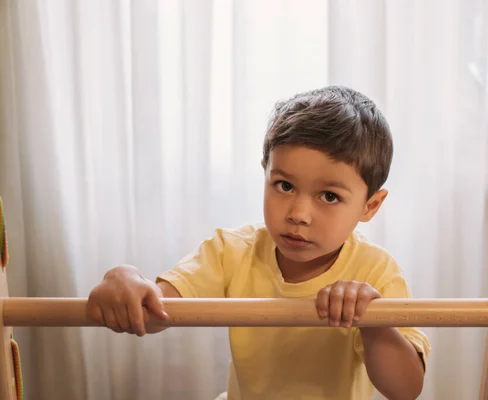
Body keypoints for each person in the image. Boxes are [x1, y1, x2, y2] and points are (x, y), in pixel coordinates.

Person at [86, 86, 431, 400]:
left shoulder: (375, 272)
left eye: (328, 195)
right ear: (265, 172)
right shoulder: (231, 250)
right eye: (284, 186)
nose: (299, 214)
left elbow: (405, 390)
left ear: (370, 206)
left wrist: (375, 325)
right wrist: (127, 281)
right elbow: (157, 311)